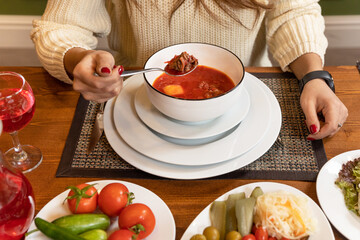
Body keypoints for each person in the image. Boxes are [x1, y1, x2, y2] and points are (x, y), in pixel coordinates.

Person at [31, 0, 347, 140]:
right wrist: (80, 60)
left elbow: (295, 11)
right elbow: (62, 26)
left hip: (249, 100)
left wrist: (314, 75)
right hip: (139, 100)